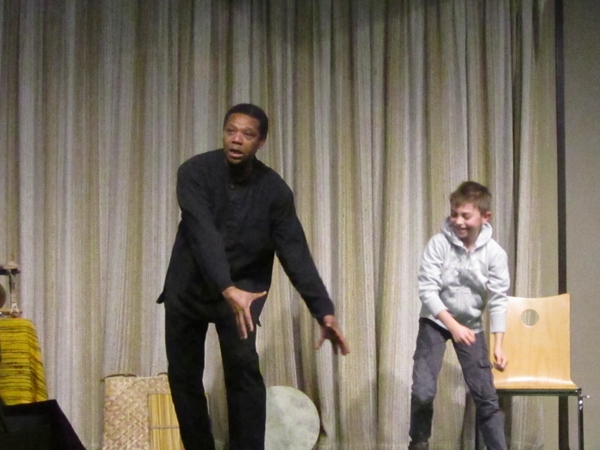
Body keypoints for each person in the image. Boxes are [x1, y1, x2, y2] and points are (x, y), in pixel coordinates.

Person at [158, 103, 350, 450]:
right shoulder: (194, 172)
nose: (236, 139)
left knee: (243, 371)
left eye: (247, 134)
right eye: (231, 131)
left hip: (243, 295)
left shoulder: (275, 191)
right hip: (188, 288)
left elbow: (295, 252)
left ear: (260, 142)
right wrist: (225, 285)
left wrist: (324, 310)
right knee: (184, 377)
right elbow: (203, 233)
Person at [408, 181, 510, 450]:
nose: (458, 221)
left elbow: (499, 299)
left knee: (486, 397)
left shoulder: (494, 253)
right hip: (435, 321)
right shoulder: (438, 244)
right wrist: (452, 325)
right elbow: (427, 290)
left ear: (485, 217)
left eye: (466, 215)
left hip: (470, 325)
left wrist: (498, 345)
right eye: (454, 213)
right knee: (422, 391)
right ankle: (418, 444)